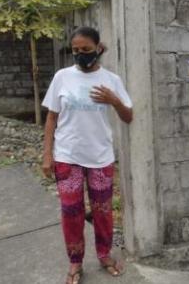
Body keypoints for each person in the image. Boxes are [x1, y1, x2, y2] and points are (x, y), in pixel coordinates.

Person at [41, 26, 132, 284]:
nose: (80, 55)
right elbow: (51, 118)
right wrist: (47, 155)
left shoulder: (111, 80)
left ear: (98, 49)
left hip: (100, 156)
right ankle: (75, 263)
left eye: (86, 50)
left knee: (103, 211)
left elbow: (128, 117)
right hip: (67, 156)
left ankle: (104, 255)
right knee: (71, 212)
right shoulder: (62, 77)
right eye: (75, 51)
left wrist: (114, 100)